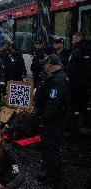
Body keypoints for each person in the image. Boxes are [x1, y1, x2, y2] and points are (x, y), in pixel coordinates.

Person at [35, 54, 69, 188]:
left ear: (50, 65)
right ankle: (49, 173)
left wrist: (43, 119)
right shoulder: (53, 77)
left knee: (52, 149)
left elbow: (53, 105)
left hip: (54, 122)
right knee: (48, 149)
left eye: (45, 65)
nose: (44, 67)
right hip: (50, 120)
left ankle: (55, 179)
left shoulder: (59, 80)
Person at [67, 32, 91, 135]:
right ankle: (86, 125)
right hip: (88, 83)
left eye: (73, 39)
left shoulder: (76, 51)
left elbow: (71, 69)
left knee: (73, 106)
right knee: (84, 104)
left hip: (76, 84)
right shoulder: (88, 50)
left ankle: (74, 128)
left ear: (77, 39)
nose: (72, 41)